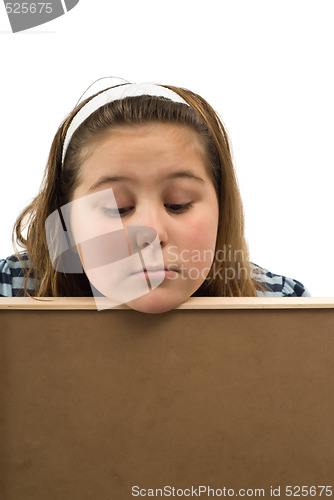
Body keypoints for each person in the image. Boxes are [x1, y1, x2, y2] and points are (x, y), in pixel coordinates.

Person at [0, 77, 310, 313]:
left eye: (178, 203)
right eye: (117, 208)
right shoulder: (7, 290)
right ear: (65, 216)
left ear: (222, 206)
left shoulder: (284, 306)